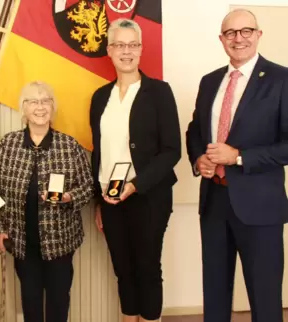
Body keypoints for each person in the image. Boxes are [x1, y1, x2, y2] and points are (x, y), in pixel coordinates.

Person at [186, 8, 288, 322]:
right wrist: (198, 159)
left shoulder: (281, 79)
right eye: (230, 33)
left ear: (258, 35)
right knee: (214, 293)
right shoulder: (210, 81)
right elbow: (195, 131)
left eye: (246, 31)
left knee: (264, 296)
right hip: (214, 201)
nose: (238, 38)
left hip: (260, 206)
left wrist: (239, 156)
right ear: (221, 39)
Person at [90, 19, 181, 322]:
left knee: (147, 268)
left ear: (141, 49)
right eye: (119, 45)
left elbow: (172, 151)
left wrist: (135, 185)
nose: (126, 51)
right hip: (110, 197)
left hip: (148, 196)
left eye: (132, 45)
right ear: (109, 49)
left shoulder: (159, 92)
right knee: (123, 270)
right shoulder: (100, 97)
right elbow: (99, 153)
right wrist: (98, 202)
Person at [0, 81, 94, 322]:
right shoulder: (8, 145)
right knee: (31, 304)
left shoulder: (68, 145)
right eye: (33, 101)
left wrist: (69, 197)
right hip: (22, 244)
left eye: (46, 101)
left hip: (60, 242)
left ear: (53, 107)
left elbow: (88, 187)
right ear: (23, 109)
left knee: (58, 303)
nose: (40, 107)